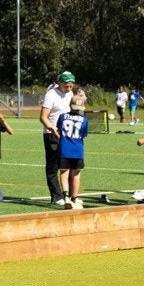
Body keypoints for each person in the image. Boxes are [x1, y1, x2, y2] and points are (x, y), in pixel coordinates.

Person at [39, 71, 75, 205]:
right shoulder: (50, 95)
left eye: (71, 86)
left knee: (68, 164)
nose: (69, 89)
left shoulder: (70, 94)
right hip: (52, 134)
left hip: (67, 133)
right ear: (59, 83)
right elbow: (43, 117)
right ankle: (56, 196)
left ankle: (70, 196)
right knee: (53, 166)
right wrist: (53, 129)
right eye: (66, 86)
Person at [57, 93, 90, 209]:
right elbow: (84, 136)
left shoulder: (62, 117)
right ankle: (74, 198)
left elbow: (59, 130)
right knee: (76, 174)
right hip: (78, 150)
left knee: (64, 173)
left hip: (64, 149)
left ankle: (66, 197)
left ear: (70, 105)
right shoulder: (84, 119)